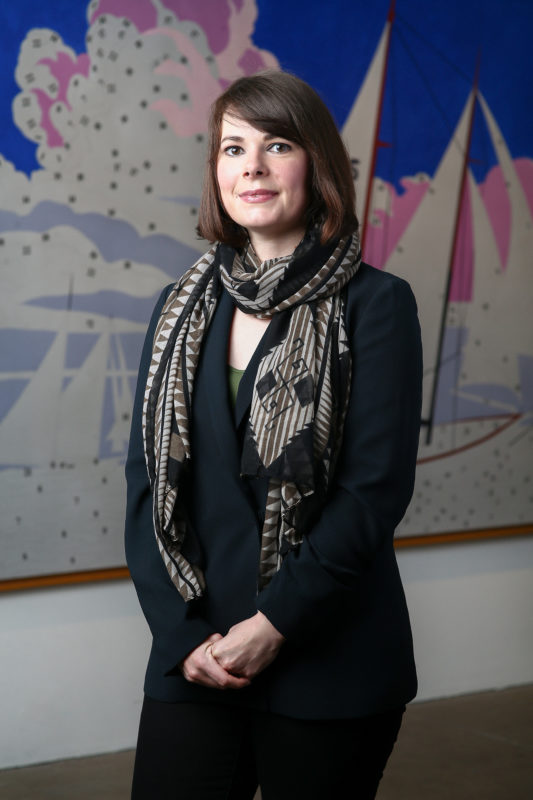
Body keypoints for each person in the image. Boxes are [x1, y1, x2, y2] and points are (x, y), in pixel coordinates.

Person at [125, 69, 422, 800]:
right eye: (233, 149)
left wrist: (273, 625)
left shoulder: (377, 305)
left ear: (316, 164)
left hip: (329, 658)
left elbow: (372, 495)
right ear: (216, 171)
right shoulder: (177, 310)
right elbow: (147, 488)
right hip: (195, 653)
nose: (251, 166)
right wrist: (180, 634)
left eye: (277, 145)